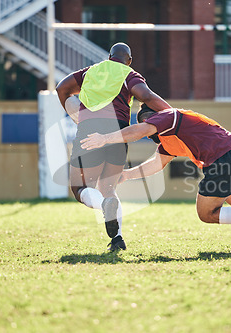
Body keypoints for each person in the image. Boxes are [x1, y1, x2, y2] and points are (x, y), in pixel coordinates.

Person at [80, 104, 231, 247]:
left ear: (153, 117)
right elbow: (156, 164)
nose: (150, 131)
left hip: (221, 157)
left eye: (148, 123)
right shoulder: (170, 139)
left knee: (207, 213)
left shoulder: (168, 116)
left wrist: (105, 138)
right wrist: (126, 175)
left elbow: (140, 130)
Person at [56, 43, 171, 251]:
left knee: (79, 187)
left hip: (90, 131)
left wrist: (74, 112)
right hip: (118, 135)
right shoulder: (129, 74)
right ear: (129, 60)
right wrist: (172, 112)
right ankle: (117, 239)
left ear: (109, 57)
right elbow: (146, 96)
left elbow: (61, 88)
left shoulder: (91, 72)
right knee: (108, 188)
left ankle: (103, 207)